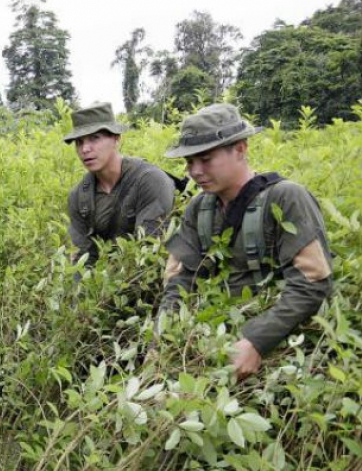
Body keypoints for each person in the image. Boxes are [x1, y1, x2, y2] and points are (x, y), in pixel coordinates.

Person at [155, 103, 332, 387]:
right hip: (212, 343)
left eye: (205, 159)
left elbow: (311, 285)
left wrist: (256, 341)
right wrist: (162, 340)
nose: (195, 171)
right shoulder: (198, 208)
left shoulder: (287, 198)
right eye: (189, 162)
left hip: (285, 347)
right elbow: (180, 281)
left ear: (240, 149)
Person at [63, 102, 177, 265]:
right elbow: (83, 260)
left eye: (94, 138)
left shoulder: (150, 181)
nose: (85, 149)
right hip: (106, 282)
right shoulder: (79, 197)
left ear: (116, 139)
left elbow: (149, 253)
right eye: (79, 142)